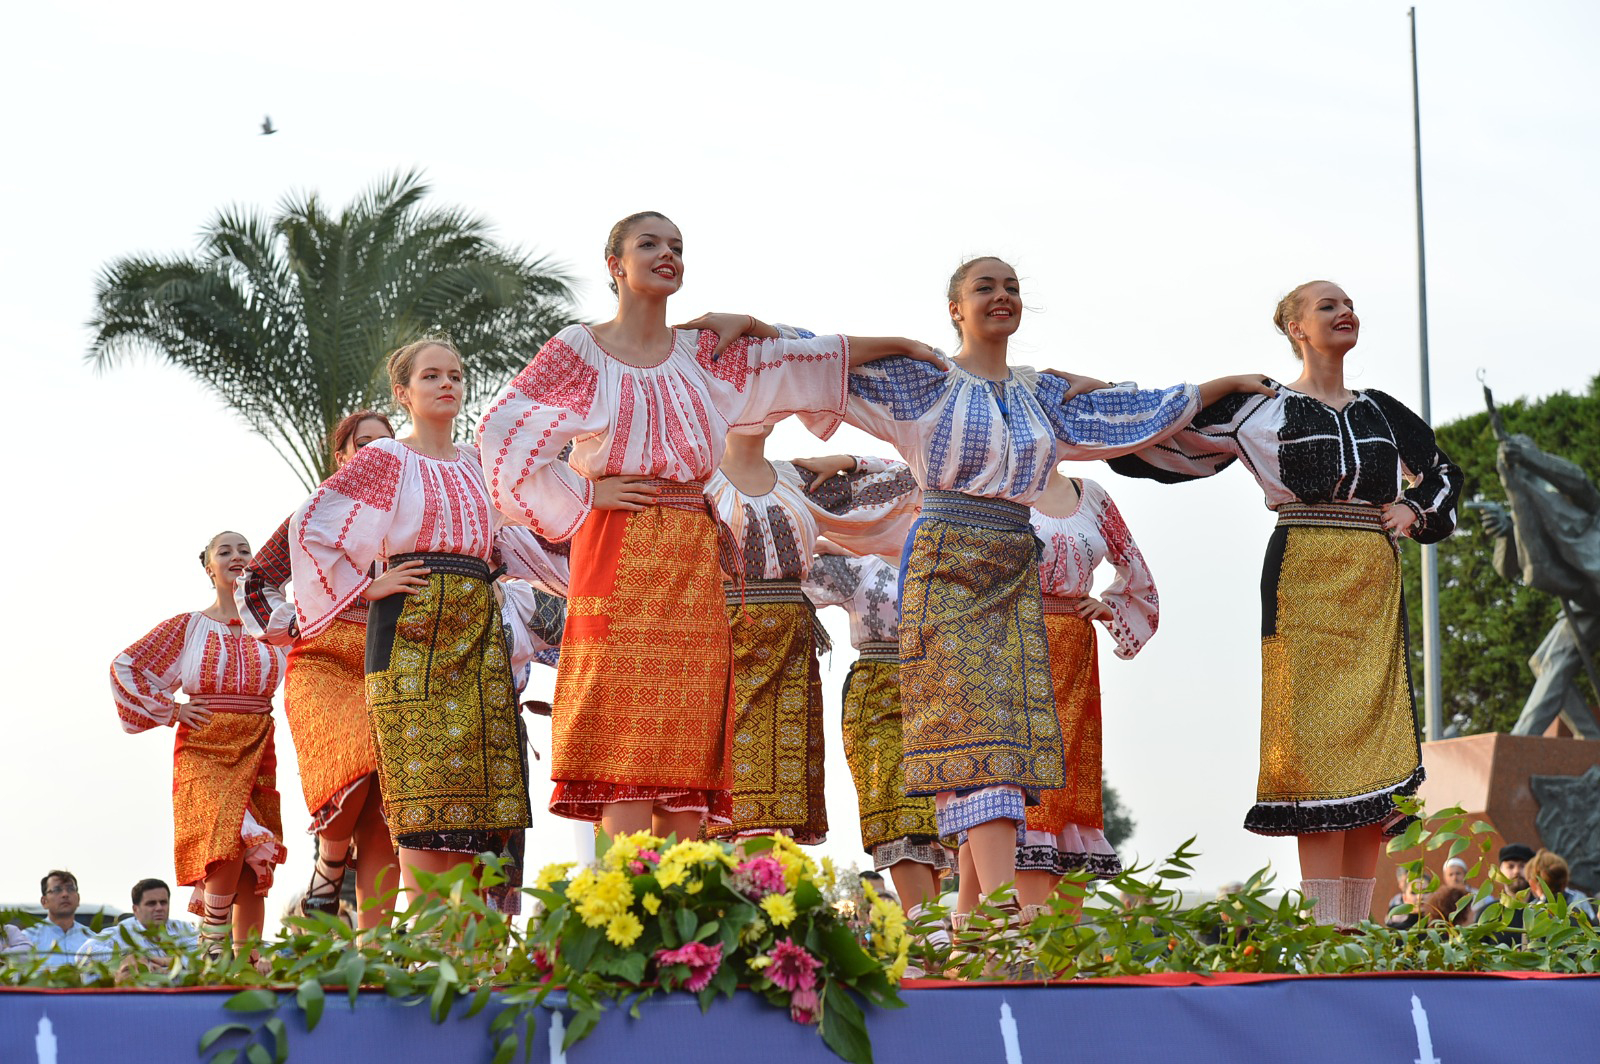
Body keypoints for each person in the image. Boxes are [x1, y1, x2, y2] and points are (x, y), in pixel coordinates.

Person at [755, 255, 1270, 914]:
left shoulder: (1042, 398)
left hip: (1011, 571)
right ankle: (999, 917)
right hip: (945, 565)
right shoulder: (926, 383)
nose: (1001, 296)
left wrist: (1216, 385)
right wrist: (747, 330)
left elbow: (1133, 411)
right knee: (973, 740)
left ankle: (978, 918)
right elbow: (817, 361)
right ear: (955, 308)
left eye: (1012, 287)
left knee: (1006, 752)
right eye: (984, 287)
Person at [476, 210, 942, 839]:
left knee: (690, 722)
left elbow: (802, 361)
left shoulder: (703, 353)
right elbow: (504, 436)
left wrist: (900, 344)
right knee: (624, 721)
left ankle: (685, 911)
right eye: (649, 244)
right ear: (615, 264)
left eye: (677, 246)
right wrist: (584, 499)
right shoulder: (580, 350)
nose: (667, 254)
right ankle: (628, 910)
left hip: (695, 551)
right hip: (618, 542)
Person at [1109, 280, 1463, 927]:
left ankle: (1358, 932)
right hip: (1302, 574)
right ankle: (1328, 931)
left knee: (1372, 755)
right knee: (1311, 751)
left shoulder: (1381, 411)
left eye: (1350, 302)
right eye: (1327, 305)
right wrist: (1219, 385)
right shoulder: (1260, 406)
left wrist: (1414, 509)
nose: (1345, 311)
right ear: (1296, 327)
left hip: (1373, 581)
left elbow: (1443, 475)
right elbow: (1157, 441)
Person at [290, 340, 561, 912]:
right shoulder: (387, 457)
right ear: (402, 392)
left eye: (456, 375)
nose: (447, 384)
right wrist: (369, 584)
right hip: (408, 633)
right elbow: (312, 528)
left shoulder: (477, 463)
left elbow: (519, 536)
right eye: (432, 375)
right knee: (422, 795)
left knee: (480, 800)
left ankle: (473, 954)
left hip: (477, 633)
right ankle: (429, 946)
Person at [706, 430, 920, 846]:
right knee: (722, 785)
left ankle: (767, 894)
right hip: (723, 637)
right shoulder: (698, 478)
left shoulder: (798, 481)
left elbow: (914, 479)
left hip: (789, 647)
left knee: (779, 794)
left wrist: (847, 460)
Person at [238, 410, 400, 928]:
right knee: (348, 775)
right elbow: (256, 581)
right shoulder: (313, 517)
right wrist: (301, 622)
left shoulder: (414, 512)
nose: (377, 454)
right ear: (343, 456)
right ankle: (329, 869)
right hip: (325, 663)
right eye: (365, 444)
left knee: (385, 807)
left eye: (386, 445)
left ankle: (375, 951)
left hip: (395, 661)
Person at [111, 533, 289, 948]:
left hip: (259, 741)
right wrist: (172, 710)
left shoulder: (276, 624)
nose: (237, 556)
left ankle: (247, 965)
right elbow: (126, 667)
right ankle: (211, 945)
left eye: (245, 550)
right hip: (204, 744)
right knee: (222, 840)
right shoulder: (188, 626)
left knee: (251, 859)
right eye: (224, 551)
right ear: (208, 568)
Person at [1014, 470, 1158, 914]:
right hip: (1016, 643)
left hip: (1076, 647)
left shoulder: (1090, 495)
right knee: (1025, 780)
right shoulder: (1000, 483)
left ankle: (1064, 946)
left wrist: (1109, 605)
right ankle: (1023, 930)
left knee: (1071, 783)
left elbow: (1134, 566)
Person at [804, 542, 949, 916]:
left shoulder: (946, 555)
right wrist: (821, 535)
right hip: (877, 695)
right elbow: (785, 576)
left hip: (939, 694)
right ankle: (926, 935)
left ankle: (930, 941)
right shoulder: (860, 563)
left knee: (934, 822)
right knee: (895, 811)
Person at [1477, 432, 1600, 738]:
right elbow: (1509, 570)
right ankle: (1591, 740)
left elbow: (1583, 485)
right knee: (1542, 661)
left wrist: (1532, 459)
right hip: (1584, 596)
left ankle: (1520, 741)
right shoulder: (1525, 508)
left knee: (1556, 660)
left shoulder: (1560, 487)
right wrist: (1506, 533)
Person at [78, 879, 199, 966]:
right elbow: (84, 952)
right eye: (151, 903)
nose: (159, 908)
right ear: (135, 909)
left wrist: (167, 962)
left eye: (163, 902)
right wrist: (127, 958)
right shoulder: (122, 931)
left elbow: (203, 958)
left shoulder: (183, 928)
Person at [26, 871, 98, 969]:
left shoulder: (92, 939)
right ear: (44, 901)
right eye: (57, 890)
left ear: (78, 899)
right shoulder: (28, 939)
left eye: (70, 889)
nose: (65, 894)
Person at [1525, 848, 1596, 921]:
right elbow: (1592, 928)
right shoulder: (1579, 899)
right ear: (1565, 881)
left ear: (1532, 884)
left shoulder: (1532, 910)